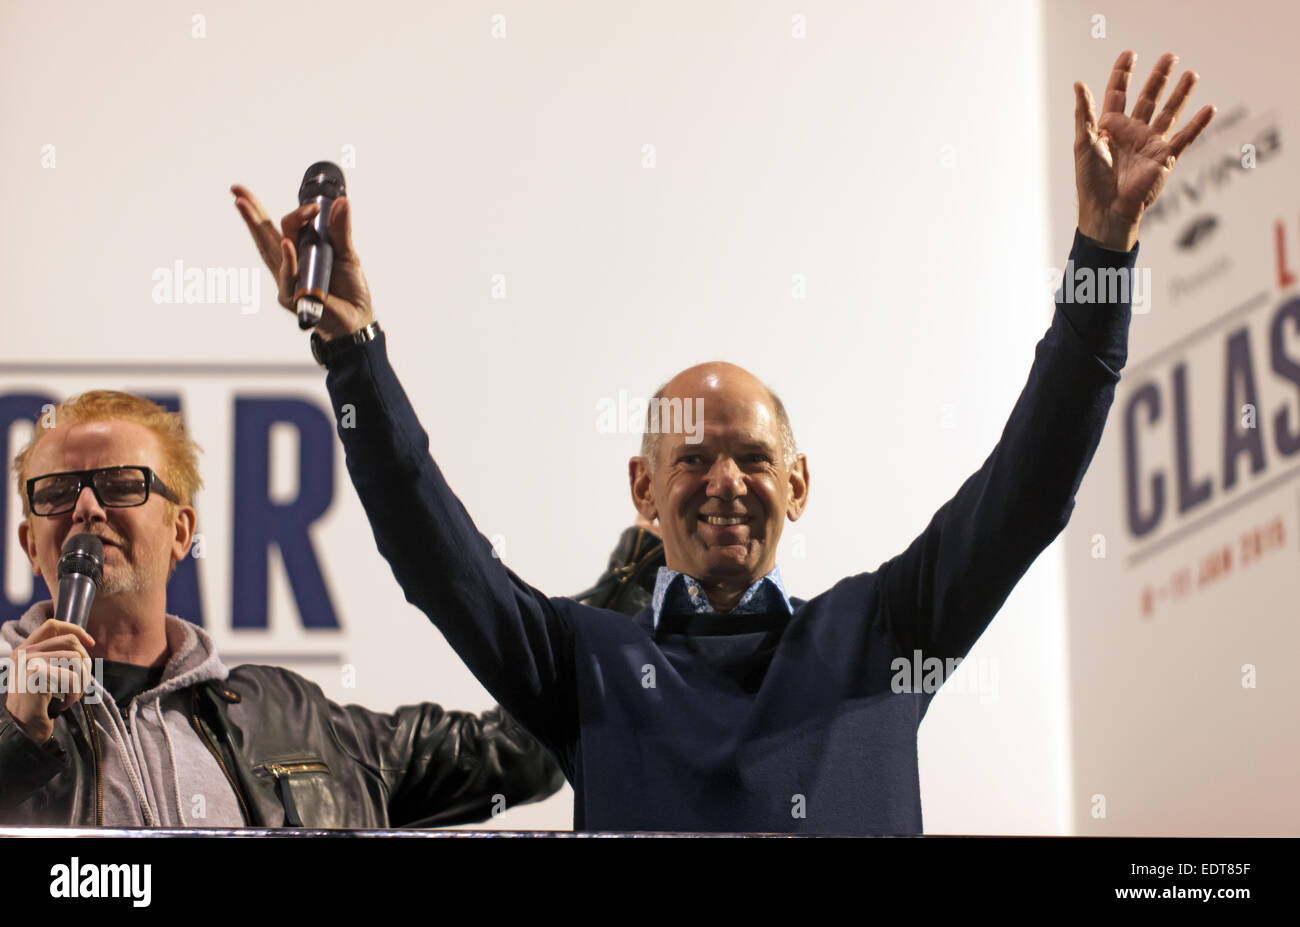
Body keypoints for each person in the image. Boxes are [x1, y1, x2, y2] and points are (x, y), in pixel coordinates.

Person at [234, 51, 1214, 833]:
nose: (723, 482)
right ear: (643, 491)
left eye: (751, 459)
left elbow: (1030, 488)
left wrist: (1102, 255)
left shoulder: (883, 635)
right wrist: (352, 353)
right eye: (691, 460)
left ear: (797, 483)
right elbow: (432, 553)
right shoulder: (586, 664)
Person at [0, 390, 564, 827]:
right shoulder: (7, 703)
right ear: (30, 544)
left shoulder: (286, 716)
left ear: (181, 531)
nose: (88, 508)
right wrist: (14, 733)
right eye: (56, 492)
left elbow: (518, 752)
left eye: (123, 484)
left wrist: (639, 569)